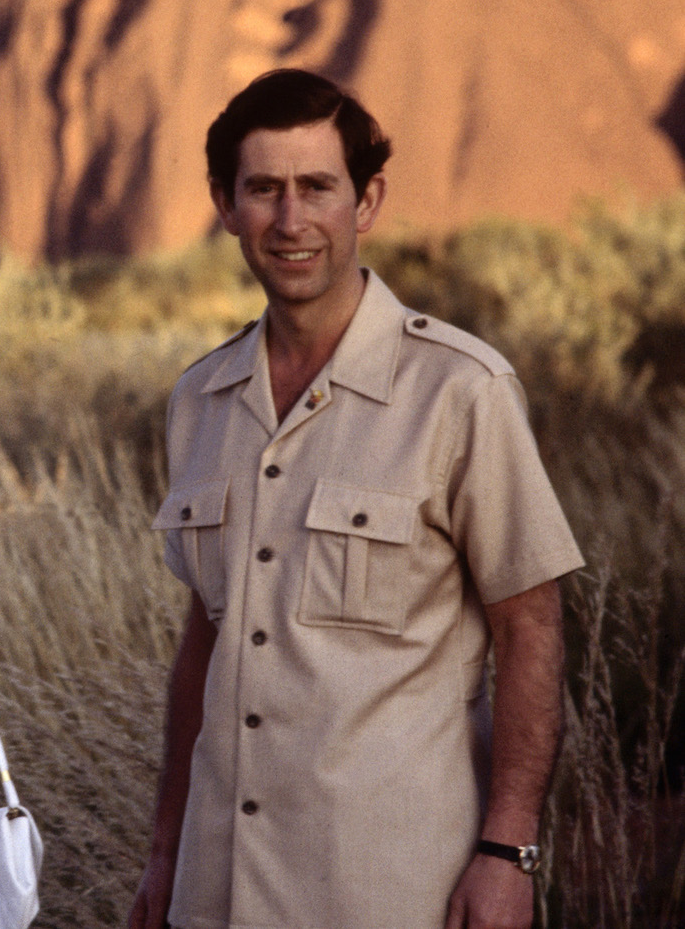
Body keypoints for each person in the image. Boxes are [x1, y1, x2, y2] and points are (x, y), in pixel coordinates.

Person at [130, 69, 584, 929]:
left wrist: (509, 852)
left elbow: (530, 624)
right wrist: (165, 852)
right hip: (219, 888)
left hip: (392, 886)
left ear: (366, 201)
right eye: (263, 190)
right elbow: (207, 638)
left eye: (317, 188)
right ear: (225, 205)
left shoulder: (461, 391)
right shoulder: (201, 400)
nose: (291, 221)